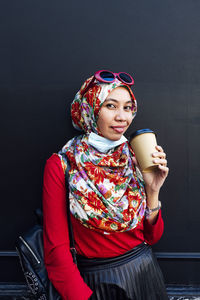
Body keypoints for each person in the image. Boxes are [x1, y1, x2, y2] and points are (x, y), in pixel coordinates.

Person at [43, 70, 169, 300]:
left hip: (145, 274)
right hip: (96, 285)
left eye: (128, 107)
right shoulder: (62, 164)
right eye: (111, 106)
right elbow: (56, 252)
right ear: (91, 109)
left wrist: (153, 190)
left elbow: (151, 238)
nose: (123, 117)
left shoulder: (134, 155)